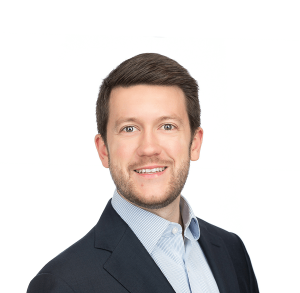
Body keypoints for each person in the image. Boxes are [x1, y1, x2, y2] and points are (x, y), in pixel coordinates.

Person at [27, 53, 259, 293]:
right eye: (129, 128)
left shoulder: (232, 252)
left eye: (167, 126)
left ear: (195, 143)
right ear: (104, 150)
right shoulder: (63, 283)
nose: (149, 148)